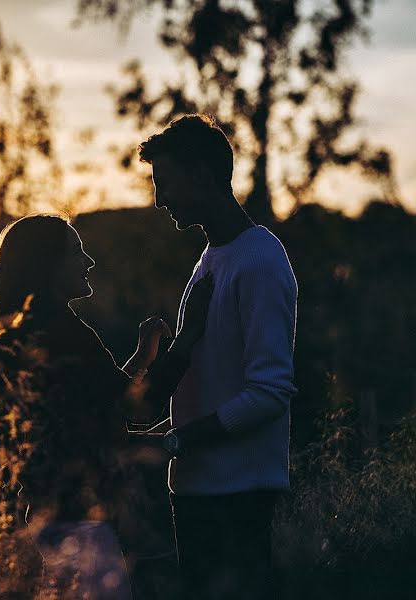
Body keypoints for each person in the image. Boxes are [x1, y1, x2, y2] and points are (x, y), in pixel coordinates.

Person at [0, 214, 214, 599]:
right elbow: (139, 409)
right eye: (76, 252)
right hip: (81, 527)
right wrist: (188, 337)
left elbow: (96, 399)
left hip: (52, 522)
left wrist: (143, 357)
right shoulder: (62, 329)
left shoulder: (28, 328)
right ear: (48, 265)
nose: (88, 261)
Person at [136, 114, 299, 599]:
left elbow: (270, 393)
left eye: (165, 183)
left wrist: (177, 442)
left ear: (202, 176)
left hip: (236, 496)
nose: (160, 200)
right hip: (199, 491)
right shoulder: (212, 258)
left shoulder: (261, 261)